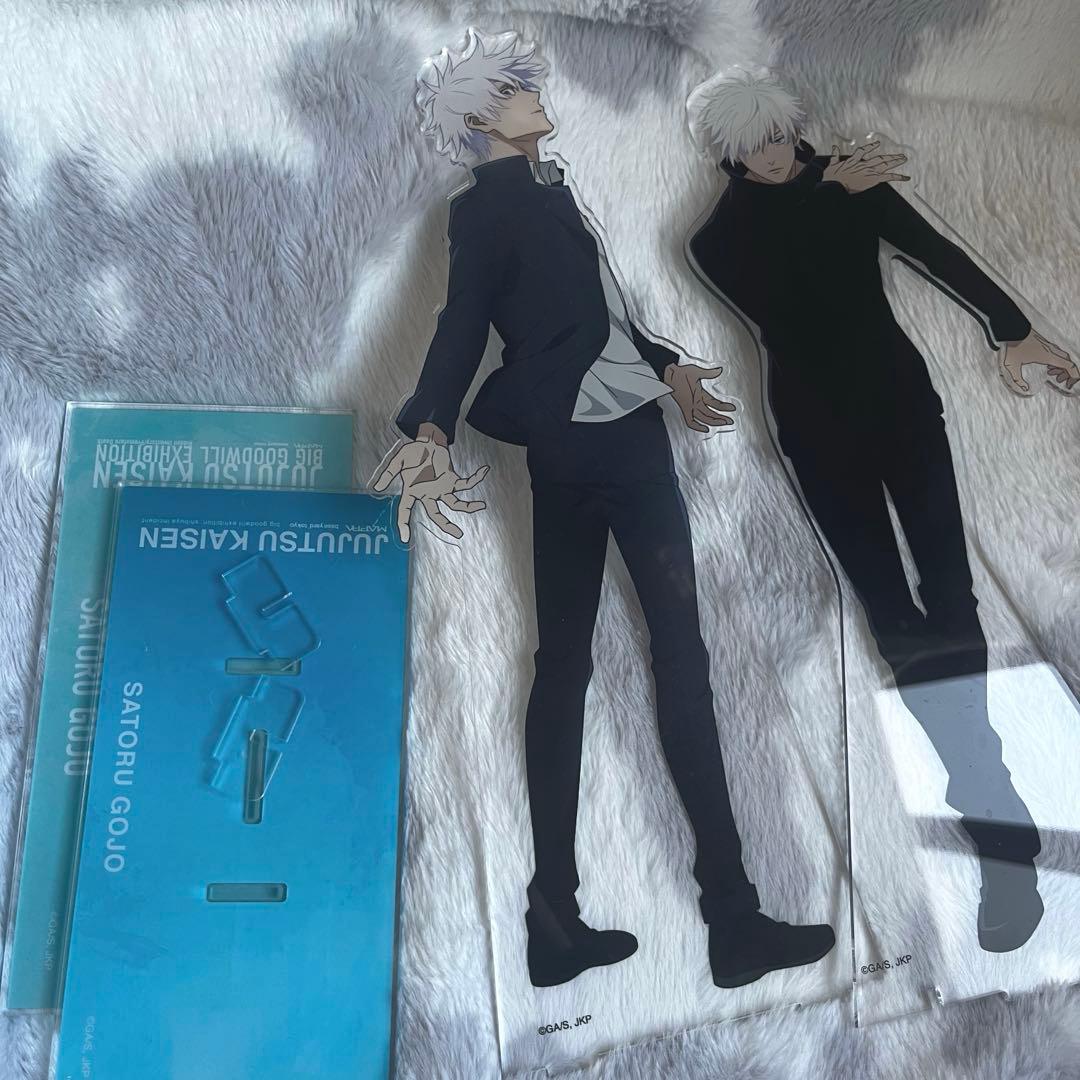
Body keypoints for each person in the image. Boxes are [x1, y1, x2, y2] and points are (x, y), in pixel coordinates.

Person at [374, 30, 835, 989]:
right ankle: (721, 921)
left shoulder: (549, 191)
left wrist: (667, 366)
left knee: (572, 665)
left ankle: (568, 924)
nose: (533, 95)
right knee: (660, 661)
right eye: (515, 89)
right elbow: (462, 321)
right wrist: (429, 424)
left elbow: (598, 315)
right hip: (607, 444)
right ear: (481, 116)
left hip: (591, 435)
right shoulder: (487, 206)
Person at [685, 65, 1078, 952]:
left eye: (780, 136)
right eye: (753, 146)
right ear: (726, 155)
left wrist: (1014, 328)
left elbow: (941, 256)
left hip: (904, 409)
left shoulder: (850, 184)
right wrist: (834, 192)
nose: (774, 155)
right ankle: (1002, 833)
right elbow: (785, 298)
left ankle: (997, 830)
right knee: (895, 622)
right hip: (815, 435)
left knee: (952, 598)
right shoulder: (715, 241)